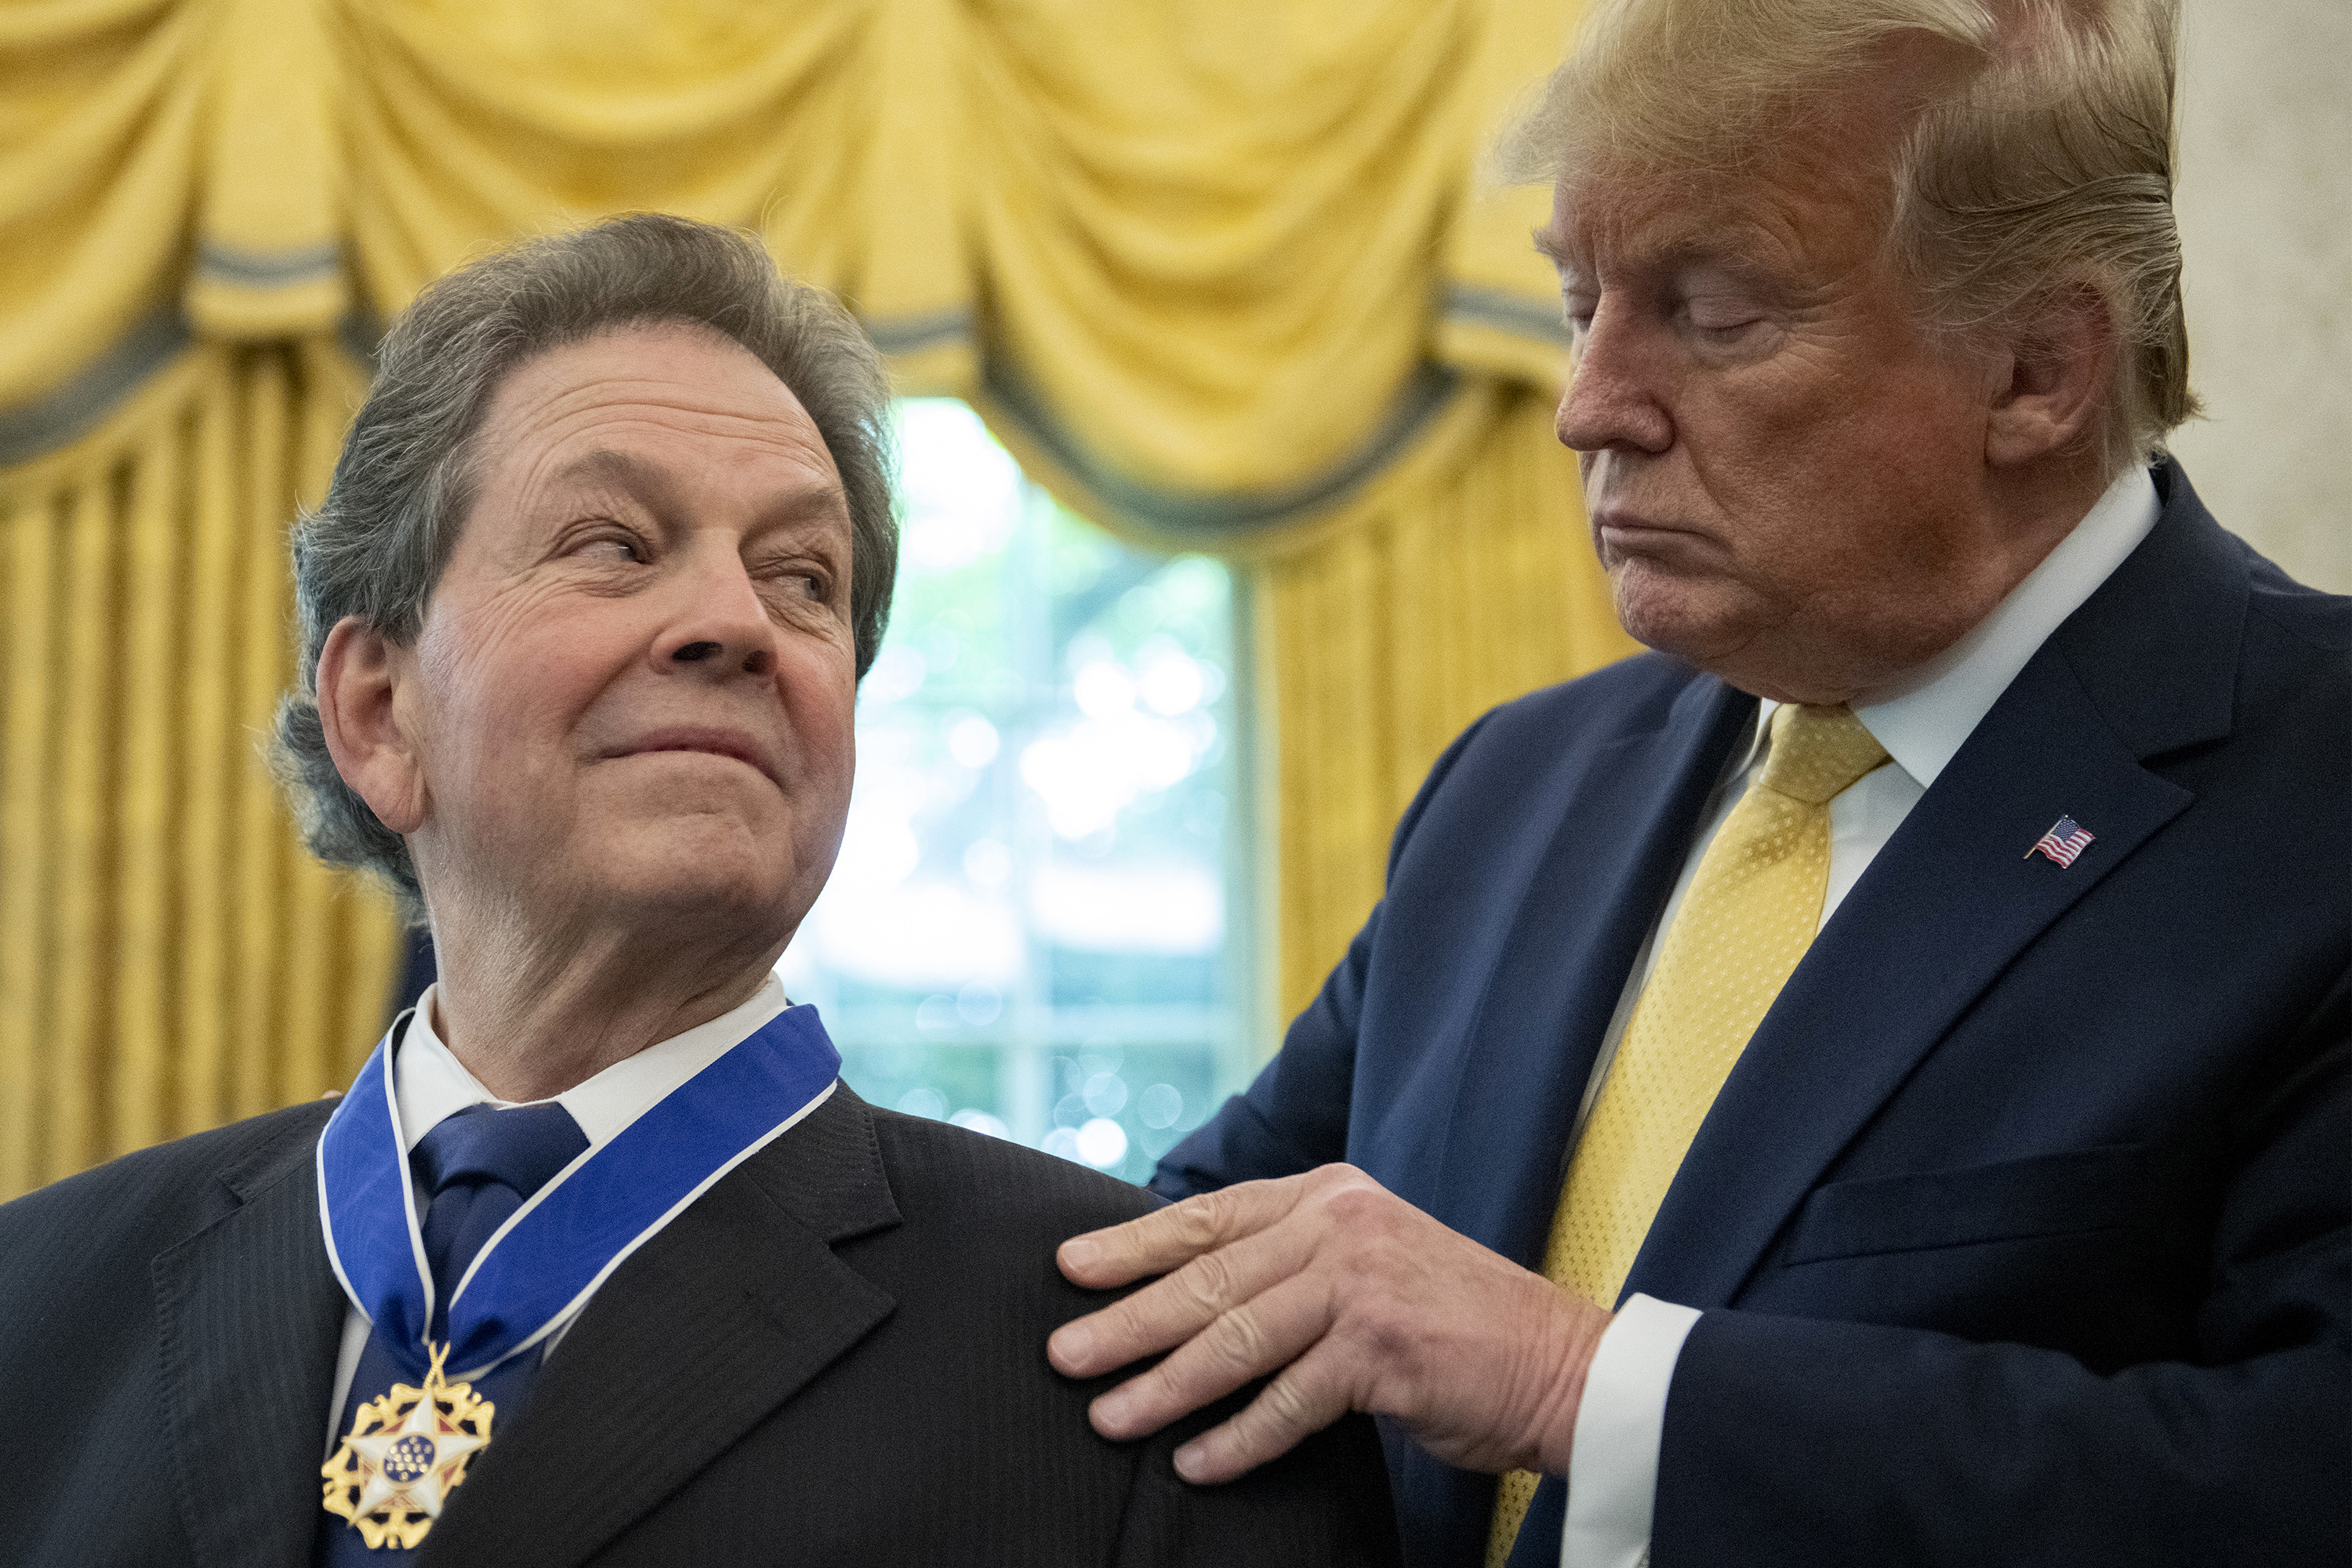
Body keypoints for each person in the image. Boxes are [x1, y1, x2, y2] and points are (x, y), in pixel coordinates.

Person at [1040, 2, 2350, 1565]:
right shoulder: (1517, 787)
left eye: (1714, 312)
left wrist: (1578, 1387)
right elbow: (1190, 1275)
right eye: (1580, 300)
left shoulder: (2313, 790)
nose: (1589, 405)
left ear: (2038, 366)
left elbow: (2297, 1474)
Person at [0, 213, 1398, 1568]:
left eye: (802, 578)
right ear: (378, 711)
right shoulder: (38, 1303)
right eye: (614, 542)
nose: (737, 622)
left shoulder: (1146, 1370)